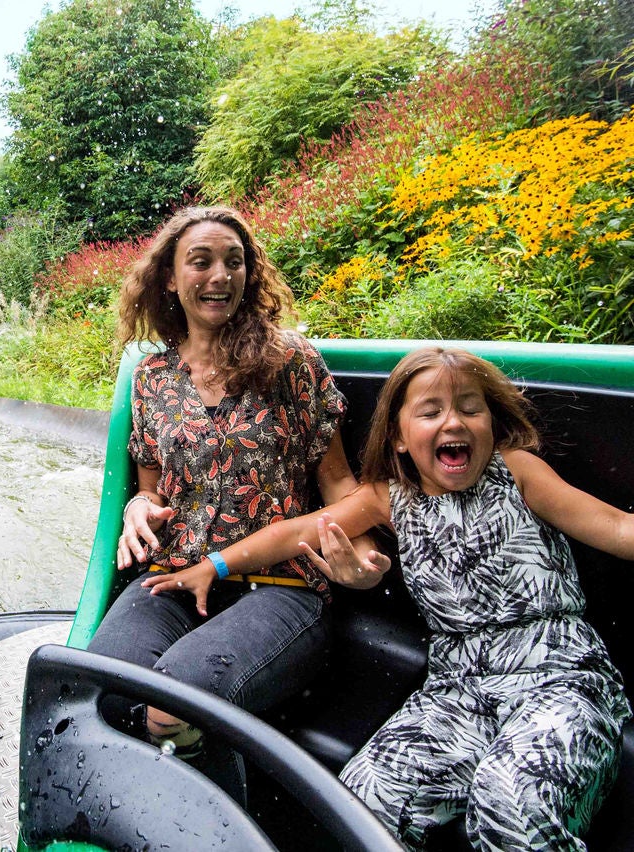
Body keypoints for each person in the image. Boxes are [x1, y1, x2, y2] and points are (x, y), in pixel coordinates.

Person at [145, 346, 634, 850]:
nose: (454, 422)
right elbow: (294, 533)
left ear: (491, 422)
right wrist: (215, 565)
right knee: (364, 801)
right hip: (458, 689)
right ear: (399, 438)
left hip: (560, 676)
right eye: (430, 412)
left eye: (470, 408)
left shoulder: (518, 473)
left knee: (511, 801)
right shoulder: (389, 499)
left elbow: (619, 528)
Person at [85, 205, 386, 801]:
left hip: (283, 588)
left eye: (234, 261)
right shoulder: (152, 378)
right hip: (174, 574)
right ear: (170, 278)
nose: (219, 275)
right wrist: (136, 510)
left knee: (177, 705)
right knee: (102, 686)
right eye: (201, 262)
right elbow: (151, 487)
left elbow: (342, 488)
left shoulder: (290, 362)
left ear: (250, 275)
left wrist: (365, 558)